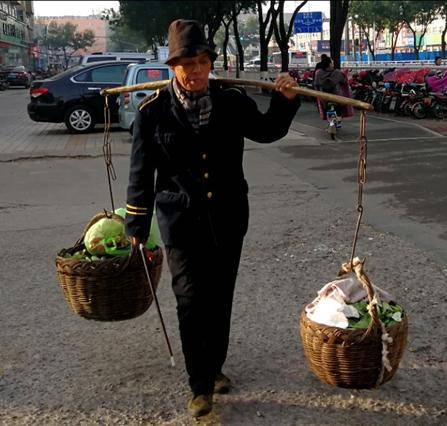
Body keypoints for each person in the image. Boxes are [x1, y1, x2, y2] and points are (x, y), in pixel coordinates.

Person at [125, 19, 300, 418]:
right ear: (173, 67)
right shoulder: (151, 113)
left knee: (221, 298)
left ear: (209, 63)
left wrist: (285, 100)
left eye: (202, 62)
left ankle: (215, 366)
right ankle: (199, 384)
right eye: (187, 64)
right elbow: (140, 174)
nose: (196, 71)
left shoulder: (232, 101)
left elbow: (268, 130)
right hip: (180, 223)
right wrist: (136, 225)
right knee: (190, 300)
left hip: (228, 217)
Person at [313, 56, 348, 123]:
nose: (332, 64)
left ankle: (330, 119)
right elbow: (344, 82)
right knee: (341, 107)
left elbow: (316, 84)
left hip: (324, 97)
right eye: (331, 63)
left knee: (326, 108)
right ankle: (339, 118)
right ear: (329, 64)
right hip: (336, 96)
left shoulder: (318, 73)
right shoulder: (337, 72)